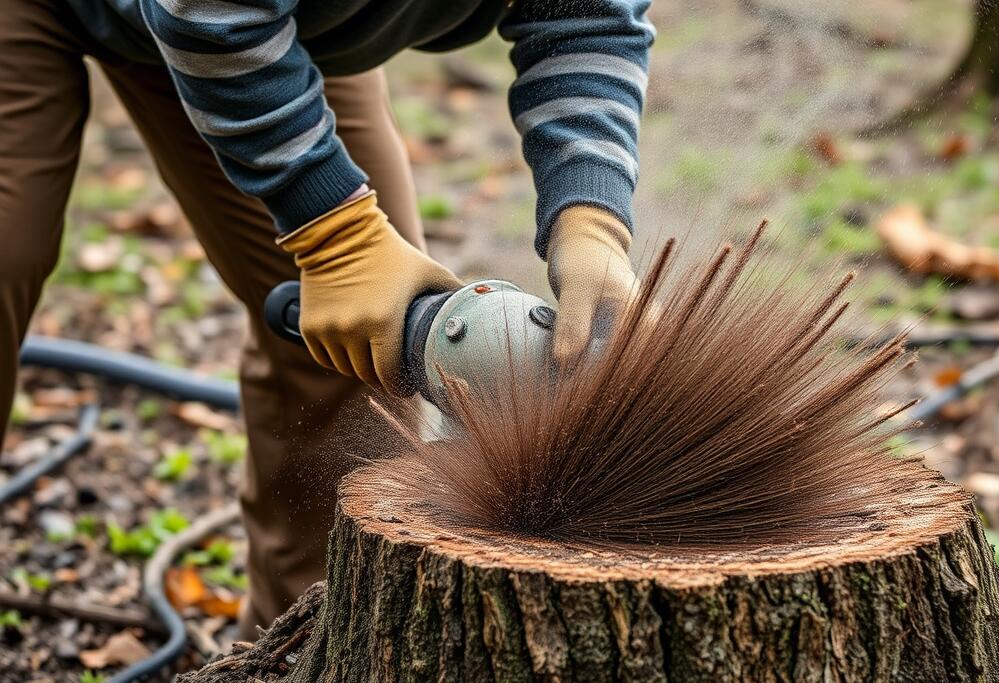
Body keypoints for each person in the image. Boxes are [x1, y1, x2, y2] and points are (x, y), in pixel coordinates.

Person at [0, 0, 653, 633]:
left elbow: (588, 12)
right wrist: (336, 236)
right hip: (194, 14)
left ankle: (294, 659)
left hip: (274, 29)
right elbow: (205, 13)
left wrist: (589, 217)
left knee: (354, 355)